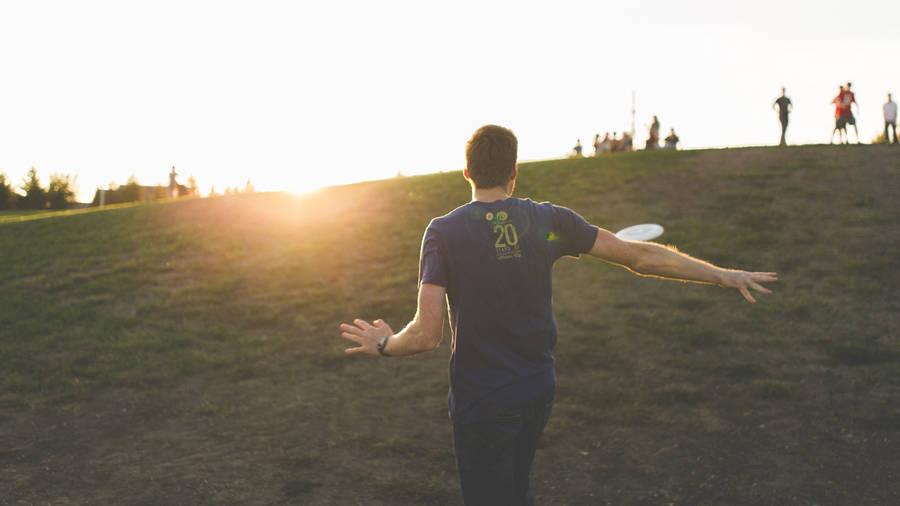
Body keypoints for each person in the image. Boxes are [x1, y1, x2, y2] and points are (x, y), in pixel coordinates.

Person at [339, 125, 778, 505]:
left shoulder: (443, 231)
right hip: (536, 390)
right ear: (514, 171)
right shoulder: (548, 221)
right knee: (513, 488)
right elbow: (638, 256)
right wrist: (722, 275)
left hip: (484, 402)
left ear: (467, 171)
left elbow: (425, 335)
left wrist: (383, 345)